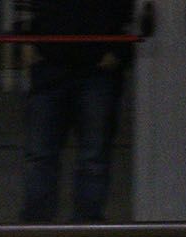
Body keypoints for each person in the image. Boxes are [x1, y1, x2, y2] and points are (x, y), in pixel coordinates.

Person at [19, 0, 133, 223]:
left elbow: (134, 13)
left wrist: (119, 51)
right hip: (53, 65)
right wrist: (24, 42)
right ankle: (38, 228)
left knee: (90, 156)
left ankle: (84, 228)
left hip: (95, 69)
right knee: (43, 155)